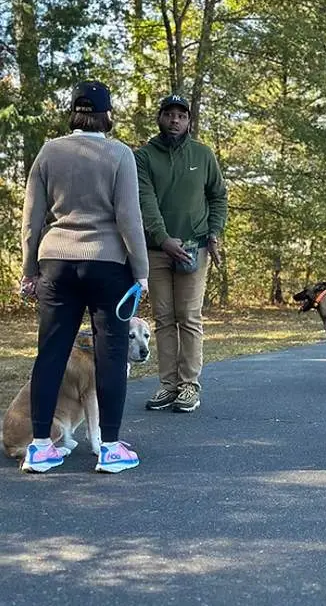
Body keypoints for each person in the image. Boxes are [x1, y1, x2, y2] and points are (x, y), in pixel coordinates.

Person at [20, 80, 149, 474]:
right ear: (107, 115)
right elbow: (129, 217)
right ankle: (109, 448)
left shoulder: (49, 152)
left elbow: (31, 219)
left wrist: (29, 271)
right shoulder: (119, 154)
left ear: (73, 113)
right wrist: (141, 272)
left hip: (56, 262)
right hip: (108, 265)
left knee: (51, 353)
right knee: (110, 356)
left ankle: (40, 447)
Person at [135, 94, 227, 413]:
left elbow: (218, 196)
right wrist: (162, 239)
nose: (175, 120)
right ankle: (168, 384)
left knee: (188, 316)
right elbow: (145, 202)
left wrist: (214, 232)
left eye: (181, 115)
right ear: (159, 118)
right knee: (163, 318)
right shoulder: (144, 157)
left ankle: (189, 385)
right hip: (158, 250)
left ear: (189, 121)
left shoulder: (202, 155)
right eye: (169, 114)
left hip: (194, 248)